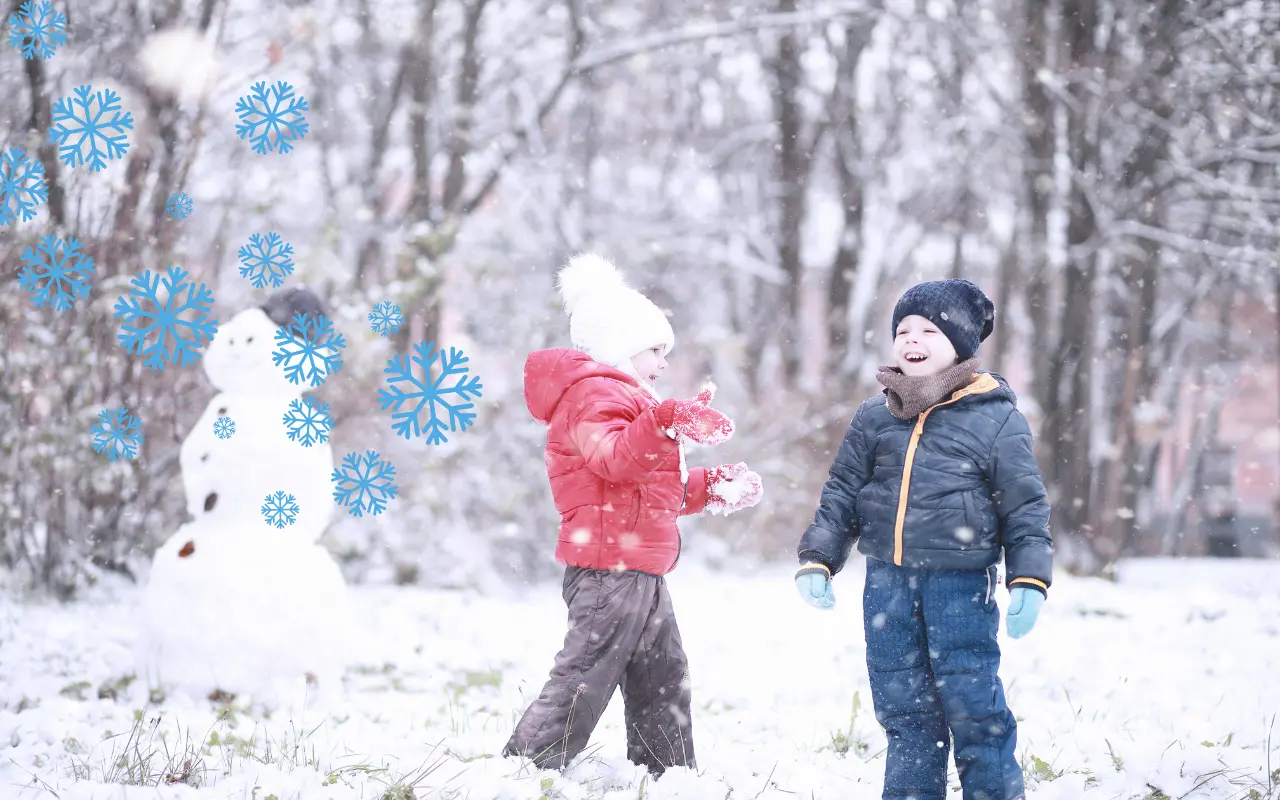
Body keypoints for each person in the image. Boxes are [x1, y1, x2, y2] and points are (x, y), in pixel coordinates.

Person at [505, 253, 764, 777]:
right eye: (655, 350)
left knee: (662, 674)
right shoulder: (590, 396)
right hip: (607, 571)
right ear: (619, 345)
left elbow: (649, 490)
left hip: (638, 568)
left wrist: (711, 486)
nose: (664, 364)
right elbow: (615, 461)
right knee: (587, 673)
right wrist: (667, 419)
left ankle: (667, 774)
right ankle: (524, 770)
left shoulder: (628, 402)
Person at [795, 279, 1053, 800]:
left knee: (973, 704)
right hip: (887, 585)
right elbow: (842, 492)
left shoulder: (996, 417)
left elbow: (1024, 505)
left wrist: (1029, 578)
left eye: (929, 329)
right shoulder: (875, 416)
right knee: (904, 710)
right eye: (904, 329)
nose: (912, 337)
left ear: (959, 343)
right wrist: (818, 557)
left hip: (959, 586)